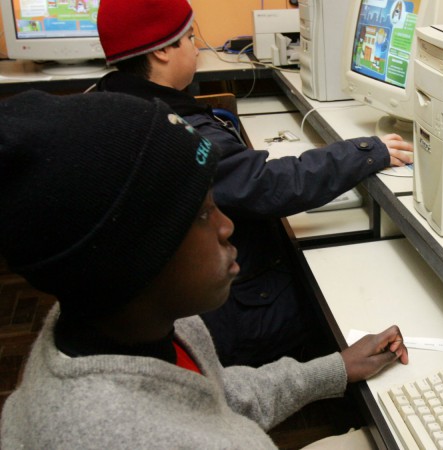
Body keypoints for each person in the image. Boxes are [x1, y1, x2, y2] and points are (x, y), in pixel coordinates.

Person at [0, 90, 409, 449]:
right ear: (135, 255)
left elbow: (211, 395)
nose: (227, 225)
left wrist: (334, 367)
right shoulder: (135, 435)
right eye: (201, 214)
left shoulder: (130, 323)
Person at [93, 0, 414, 367]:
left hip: (196, 294)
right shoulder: (172, 133)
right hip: (235, 312)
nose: (197, 48)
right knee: (346, 296)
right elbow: (266, 185)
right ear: (164, 50)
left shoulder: (113, 102)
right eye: (190, 38)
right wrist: (365, 152)